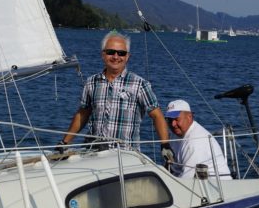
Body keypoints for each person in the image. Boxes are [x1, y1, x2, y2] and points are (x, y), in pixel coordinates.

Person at [58, 31, 173, 160]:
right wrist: (64, 142)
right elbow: (83, 114)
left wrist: (165, 145)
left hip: (125, 156)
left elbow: (157, 115)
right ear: (103, 54)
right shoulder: (91, 82)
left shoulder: (140, 84)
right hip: (93, 154)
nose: (116, 56)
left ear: (127, 56)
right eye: (111, 52)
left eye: (121, 53)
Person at [164, 99, 231, 179]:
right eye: (170, 120)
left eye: (176, 119)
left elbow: (187, 179)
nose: (173, 124)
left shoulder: (195, 141)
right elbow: (171, 167)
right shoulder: (174, 134)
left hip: (215, 184)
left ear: (189, 117)